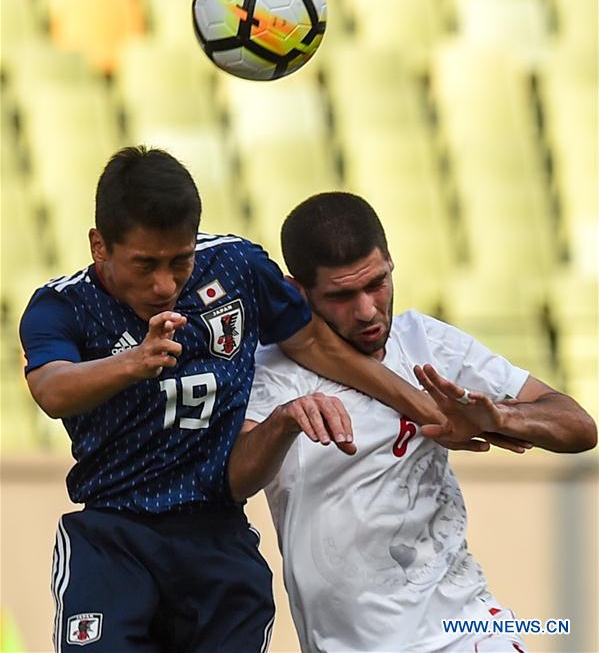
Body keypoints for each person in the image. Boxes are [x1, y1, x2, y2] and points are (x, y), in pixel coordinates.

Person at [21, 147, 493, 653]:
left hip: (216, 534)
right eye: (145, 265)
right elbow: (52, 389)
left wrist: (427, 408)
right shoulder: (62, 305)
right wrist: (134, 361)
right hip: (114, 534)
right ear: (100, 246)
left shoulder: (236, 267)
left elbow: (314, 344)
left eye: (180, 261)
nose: (165, 284)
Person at [229, 191, 597, 653]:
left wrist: (502, 415)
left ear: (390, 262)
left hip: (467, 628)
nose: (367, 309)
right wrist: (283, 423)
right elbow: (236, 481)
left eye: (376, 283)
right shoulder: (272, 373)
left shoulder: (427, 342)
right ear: (296, 291)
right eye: (342, 295)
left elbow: (579, 426)